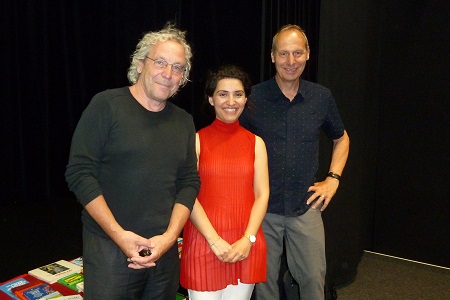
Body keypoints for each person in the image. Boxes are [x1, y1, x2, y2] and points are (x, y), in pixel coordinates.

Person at [65, 23, 200, 300]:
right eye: (160, 62)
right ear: (140, 64)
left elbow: (189, 181)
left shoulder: (184, 121)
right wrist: (120, 236)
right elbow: (80, 173)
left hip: (163, 255)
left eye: (178, 68)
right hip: (110, 253)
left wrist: (169, 238)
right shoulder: (106, 106)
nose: (168, 74)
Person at [239, 24, 350, 300]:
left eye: (297, 53)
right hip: (263, 210)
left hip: (306, 207)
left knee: (313, 281)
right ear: (273, 56)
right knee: (263, 286)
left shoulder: (321, 97)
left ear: (308, 54)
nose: (291, 62)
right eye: (284, 54)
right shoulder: (252, 98)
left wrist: (333, 179)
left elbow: (342, 138)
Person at [180, 65, 270, 300]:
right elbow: (188, 195)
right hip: (204, 243)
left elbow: (262, 195)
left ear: (246, 98)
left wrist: (248, 239)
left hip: (246, 246)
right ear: (211, 99)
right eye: (223, 94)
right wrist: (214, 240)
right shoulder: (196, 141)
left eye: (238, 94)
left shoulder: (256, 143)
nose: (231, 101)